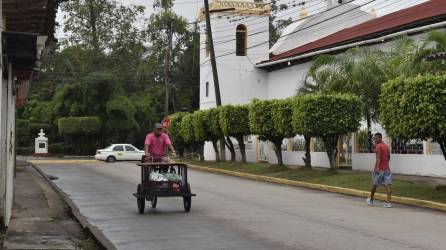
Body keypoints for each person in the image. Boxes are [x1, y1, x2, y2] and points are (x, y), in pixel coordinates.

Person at [366, 132, 392, 208]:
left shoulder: (378, 146)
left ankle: (371, 200)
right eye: (374, 138)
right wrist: (385, 164)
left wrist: (377, 168)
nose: (375, 140)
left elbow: (378, 158)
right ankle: (388, 203)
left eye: (376, 138)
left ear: (380, 138)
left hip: (379, 169)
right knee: (388, 185)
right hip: (387, 169)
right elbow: (388, 157)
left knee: (374, 184)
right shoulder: (386, 146)